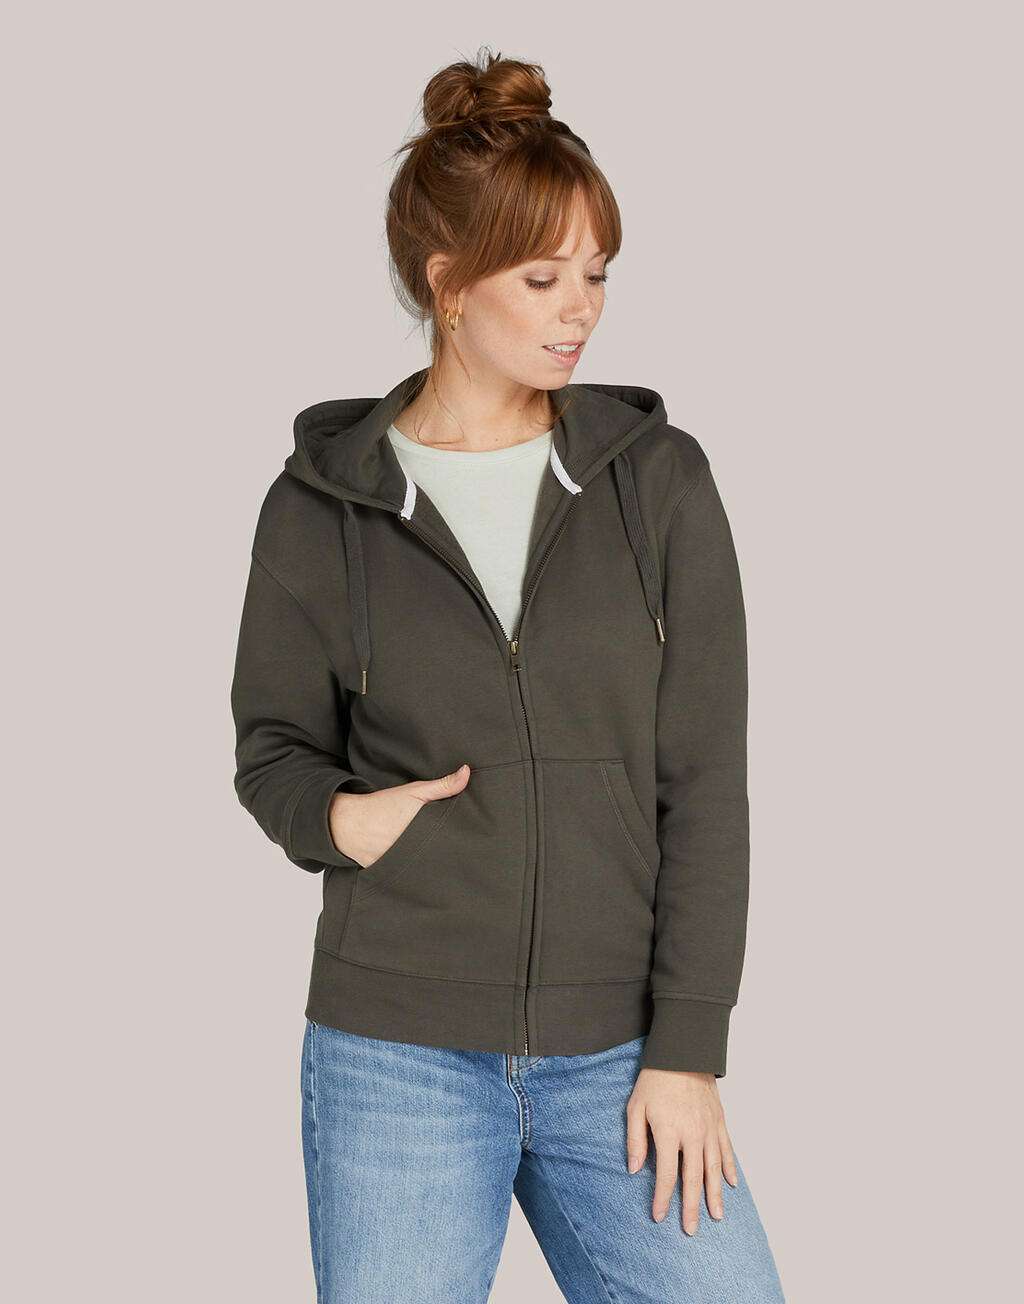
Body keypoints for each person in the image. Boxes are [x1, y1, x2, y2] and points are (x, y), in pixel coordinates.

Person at [230, 45, 786, 1304]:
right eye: (542, 277)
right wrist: (340, 819)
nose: (579, 307)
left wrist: (688, 1046)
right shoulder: (320, 508)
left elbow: (705, 784)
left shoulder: (658, 482)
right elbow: (272, 747)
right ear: (447, 283)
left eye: (596, 272)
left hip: (620, 1051)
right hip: (396, 1055)